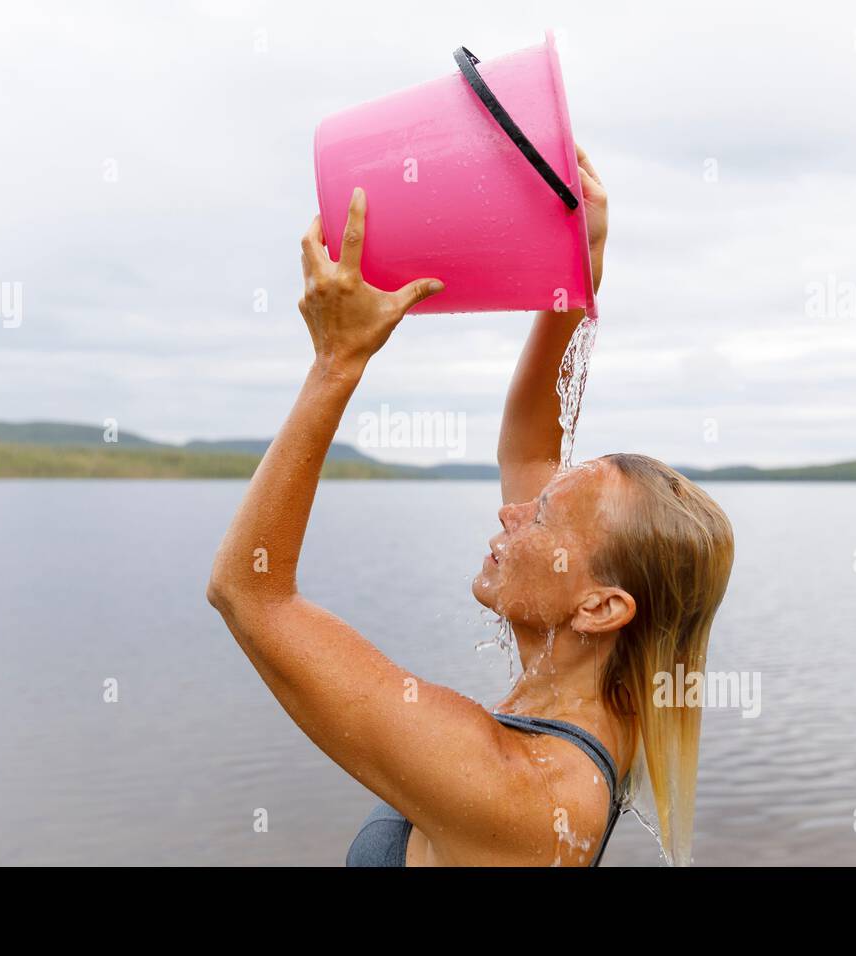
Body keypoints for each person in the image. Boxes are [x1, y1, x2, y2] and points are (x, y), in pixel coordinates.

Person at [207, 147, 734, 866]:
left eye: (540, 517)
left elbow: (249, 593)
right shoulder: (601, 695)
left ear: (601, 608)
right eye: (534, 502)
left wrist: (337, 363)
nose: (510, 512)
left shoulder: (520, 790)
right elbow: (528, 448)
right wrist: (575, 276)